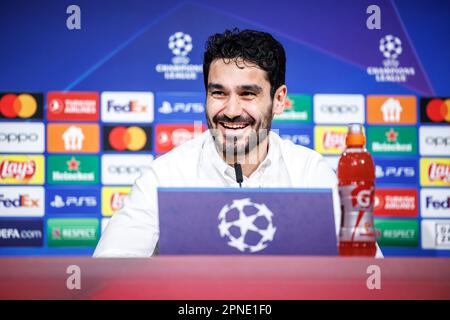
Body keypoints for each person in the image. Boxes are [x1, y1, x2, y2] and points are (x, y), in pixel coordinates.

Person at [93, 28, 382, 257]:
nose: (231, 110)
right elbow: (111, 271)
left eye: (247, 94)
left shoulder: (310, 172)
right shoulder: (165, 175)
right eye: (219, 93)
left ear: (278, 100)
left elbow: (366, 272)